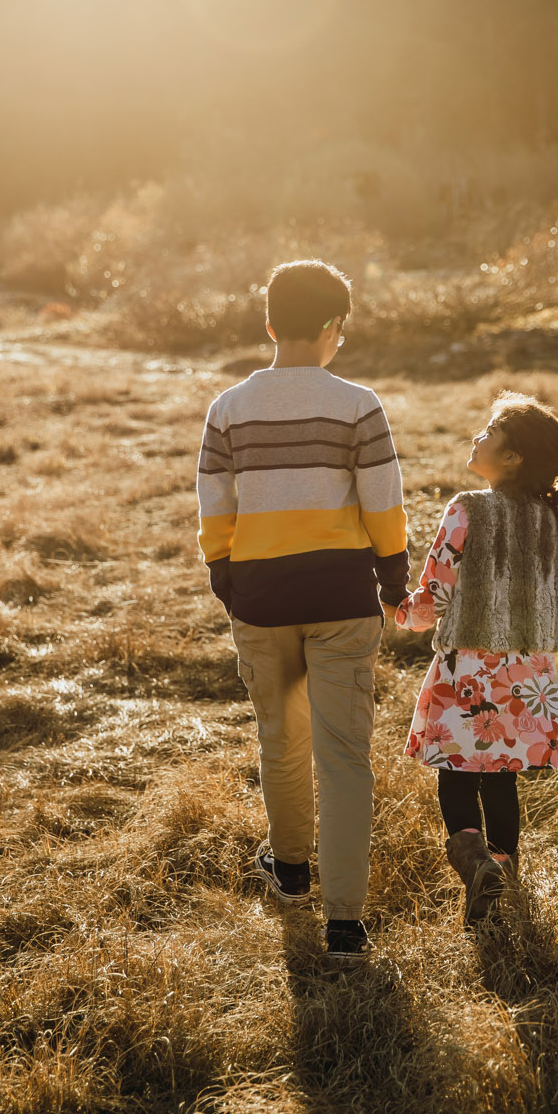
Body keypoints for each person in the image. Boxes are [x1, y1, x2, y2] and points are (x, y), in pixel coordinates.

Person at [197, 260, 409, 962]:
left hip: (262, 597)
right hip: (342, 598)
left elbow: (214, 506)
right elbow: (382, 500)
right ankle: (345, 921)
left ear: (268, 325)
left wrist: (226, 576)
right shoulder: (359, 404)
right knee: (343, 756)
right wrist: (393, 574)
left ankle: (290, 870)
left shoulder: (227, 408)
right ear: (331, 329)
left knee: (280, 742)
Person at [393, 392, 558, 924]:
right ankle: (503, 872)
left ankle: (475, 865)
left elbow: (434, 596)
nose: (477, 438)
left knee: (458, 773)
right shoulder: (549, 521)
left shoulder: (467, 508)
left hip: (468, 668)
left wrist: (398, 612)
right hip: (529, 673)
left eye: (489, 433)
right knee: (502, 778)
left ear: (512, 458)